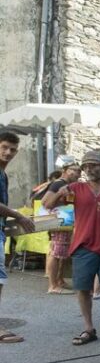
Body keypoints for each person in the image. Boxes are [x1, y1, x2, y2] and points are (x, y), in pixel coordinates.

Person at [43, 150, 100, 345]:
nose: (89, 169)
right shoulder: (76, 188)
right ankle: (88, 328)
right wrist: (59, 192)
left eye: (94, 165)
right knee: (83, 289)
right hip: (83, 245)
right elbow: (47, 204)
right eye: (85, 166)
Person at [0, 132, 35, 343]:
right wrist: (18, 215)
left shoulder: (3, 174)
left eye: (12, 149)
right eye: (4, 147)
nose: (8, 152)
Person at [44, 160, 82, 294]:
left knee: (62, 252)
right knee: (55, 252)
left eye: (79, 170)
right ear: (65, 170)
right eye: (74, 170)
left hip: (64, 221)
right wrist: (60, 194)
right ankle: (53, 286)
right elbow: (46, 203)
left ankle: (59, 280)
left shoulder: (67, 184)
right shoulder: (59, 183)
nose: (78, 173)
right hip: (59, 221)